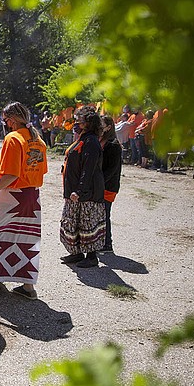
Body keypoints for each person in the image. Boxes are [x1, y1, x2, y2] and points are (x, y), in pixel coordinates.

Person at [0, 102, 48, 299]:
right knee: (26, 239)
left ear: (13, 119)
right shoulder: (39, 141)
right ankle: (28, 287)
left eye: (7, 120)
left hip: (11, 197)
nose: (6, 124)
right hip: (32, 197)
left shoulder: (13, 138)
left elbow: (9, 176)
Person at [60, 107, 106, 268]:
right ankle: (77, 253)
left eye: (80, 120)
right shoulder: (82, 138)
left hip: (87, 193)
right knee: (73, 221)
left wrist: (79, 190)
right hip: (74, 191)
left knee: (87, 223)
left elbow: (89, 168)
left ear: (88, 123)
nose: (77, 123)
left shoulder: (91, 141)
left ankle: (91, 257)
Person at [100, 114, 122, 255]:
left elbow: (111, 170)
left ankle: (107, 244)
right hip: (102, 184)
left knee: (105, 214)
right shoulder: (101, 141)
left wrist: (99, 184)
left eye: (101, 124)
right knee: (100, 214)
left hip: (108, 186)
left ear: (108, 127)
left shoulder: (113, 145)